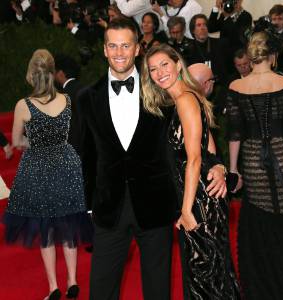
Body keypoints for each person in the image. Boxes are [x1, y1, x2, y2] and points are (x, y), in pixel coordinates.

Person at [77, 17, 228, 300]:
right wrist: (88, 208)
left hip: (157, 206)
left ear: (137, 49)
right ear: (105, 50)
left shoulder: (163, 92)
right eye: (113, 45)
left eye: (126, 45)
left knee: (158, 289)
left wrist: (218, 165)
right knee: (100, 289)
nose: (119, 52)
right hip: (109, 210)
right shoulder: (87, 97)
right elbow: (86, 156)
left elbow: (199, 132)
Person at [141, 43, 240, 299]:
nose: (159, 72)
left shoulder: (185, 99)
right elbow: (208, 146)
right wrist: (218, 164)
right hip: (201, 195)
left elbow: (195, 159)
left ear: (177, 64)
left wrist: (185, 210)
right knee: (212, 270)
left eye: (164, 64)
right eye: (153, 69)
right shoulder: (184, 98)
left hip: (198, 200)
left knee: (205, 273)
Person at [2, 49, 92, 300]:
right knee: (69, 225)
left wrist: (35, 142)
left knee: (46, 229)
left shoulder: (24, 105)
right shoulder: (67, 99)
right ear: (53, 73)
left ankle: (53, 287)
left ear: (31, 74)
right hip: (66, 163)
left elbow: (18, 140)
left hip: (39, 166)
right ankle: (72, 281)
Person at [227, 31, 283, 299]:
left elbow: (235, 133)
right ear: (274, 54)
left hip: (254, 159)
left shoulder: (236, 87)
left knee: (260, 221)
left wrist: (233, 171)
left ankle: (265, 288)